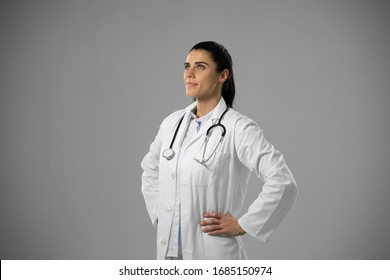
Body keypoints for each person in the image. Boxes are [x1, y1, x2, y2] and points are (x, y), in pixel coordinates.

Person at [141, 41, 298, 260]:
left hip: (213, 255)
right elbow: (150, 169)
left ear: (222, 76)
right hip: (169, 254)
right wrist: (161, 213)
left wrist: (243, 224)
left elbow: (282, 181)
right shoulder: (172, 124)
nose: (190, 74)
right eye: (187, 66)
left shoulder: (238, 127)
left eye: (200, 67)